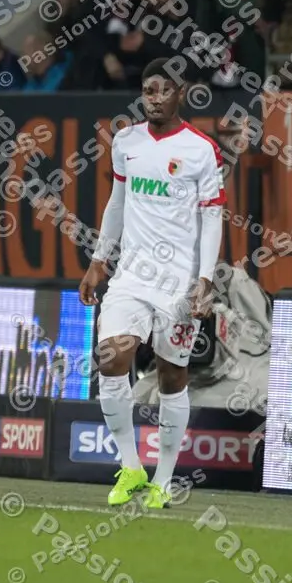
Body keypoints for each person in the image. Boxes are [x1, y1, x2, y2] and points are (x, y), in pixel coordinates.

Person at [79, 58, 225, 510]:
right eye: (148, 89)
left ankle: (163, 477)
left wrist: (204, 279)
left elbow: (212, 216)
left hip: (178, 282)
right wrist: (99, 260)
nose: (155, 97)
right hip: (132, 276)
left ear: (180, 92)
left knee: (172, 374)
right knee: (111, 357)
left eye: (163, 90)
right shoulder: (126, 141)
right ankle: (130, 465)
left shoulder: (201, 149)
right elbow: (117, 203)